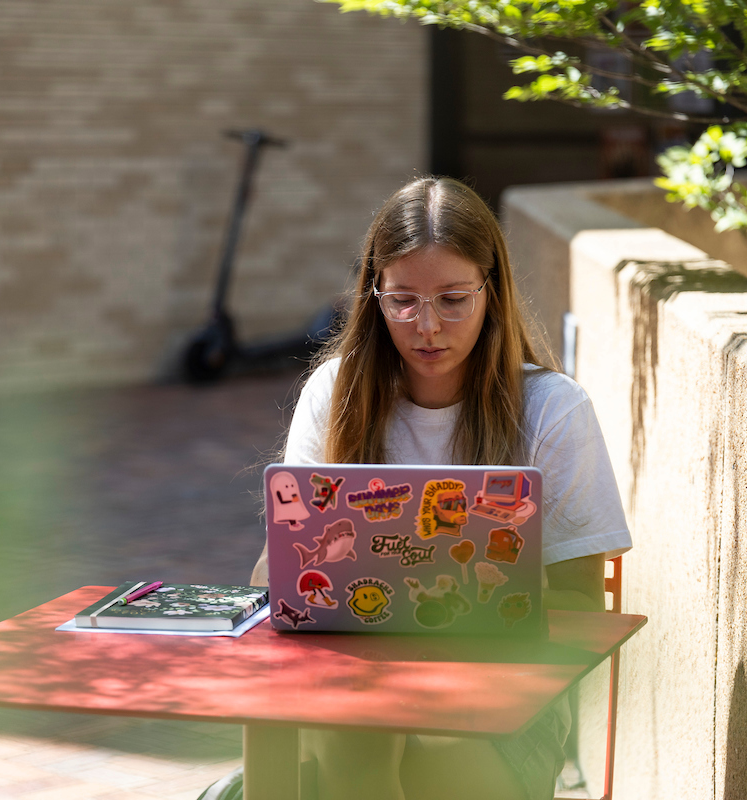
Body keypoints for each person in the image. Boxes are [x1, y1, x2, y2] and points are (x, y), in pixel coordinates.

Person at [249, 176, 632, 800]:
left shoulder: (552, 410)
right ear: (374, 294)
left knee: (389, 751)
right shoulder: (334, 392)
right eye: (402, 300)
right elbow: (277, 568)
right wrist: (284, 578)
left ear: (493, 291)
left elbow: (581, 604)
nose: (426, 325)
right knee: (360, 733)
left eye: (453, 298)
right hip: (352, 690)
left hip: (502, 710)